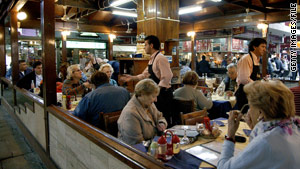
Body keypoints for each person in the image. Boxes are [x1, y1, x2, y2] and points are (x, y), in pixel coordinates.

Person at [218, 80, 300, 169]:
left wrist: (230, 135)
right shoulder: (293, 127)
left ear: (260, 112)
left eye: (250, 106)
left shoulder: (265, 142)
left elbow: (223, 167)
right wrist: (255, 127)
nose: (248, 111)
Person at [120, 35, 173, 123]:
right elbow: (145, 74)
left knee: (163, 119)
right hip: (156, 94)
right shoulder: (152, 59)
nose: (144, 47)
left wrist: (156, 91)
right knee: (156, 119)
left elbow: (167, 76)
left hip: (163, 95)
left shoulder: (160, 58)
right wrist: (132, 78)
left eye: (145, 45)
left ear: (151, 45)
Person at [118, 79, 167, 145]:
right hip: (136, 151)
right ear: (142, 94)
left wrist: (161, 123)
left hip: (152, 144)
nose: (156, 100)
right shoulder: (131, 113)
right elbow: (137, 144)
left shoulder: (148, 103)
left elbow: (160, 117)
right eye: (153, 96)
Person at [235, 38, 266, 113]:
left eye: (265, 47)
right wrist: (259, 86)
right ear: (254, 47)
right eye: (262, 47)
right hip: (244, 94)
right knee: (245, 118)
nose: (264, 49)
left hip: (252, 93)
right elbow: (244, 79)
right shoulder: (247, 58)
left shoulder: (256, 59)